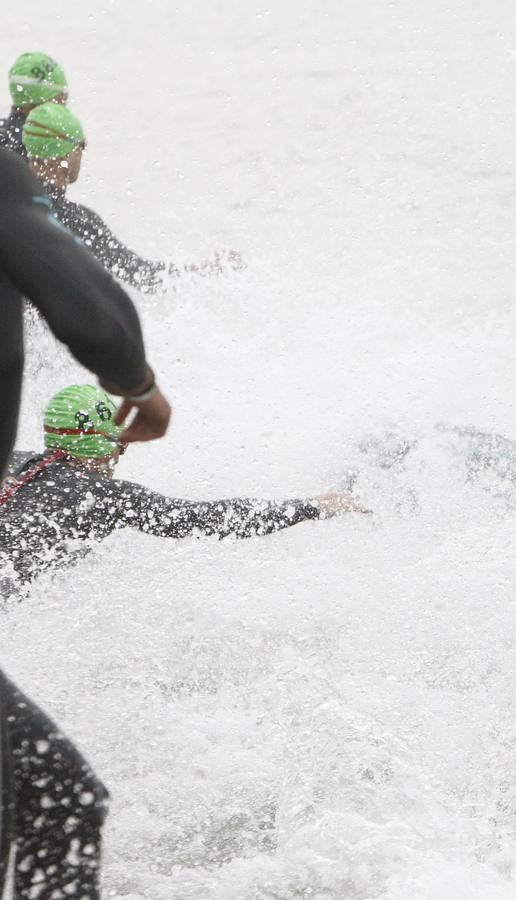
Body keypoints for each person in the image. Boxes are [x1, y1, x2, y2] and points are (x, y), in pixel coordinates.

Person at [1, 146, 171, 897]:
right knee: (62, 802)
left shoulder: (30, 469)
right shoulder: (96, 495)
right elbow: (85, 304)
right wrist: (139, 384)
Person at [0, 385, 362, 592]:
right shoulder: (101, 496)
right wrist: (310, 506)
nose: (119, 457)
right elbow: (204, 520)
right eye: (120, 444)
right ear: (102, 444)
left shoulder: (11, 461)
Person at [22, 102, 242, 292]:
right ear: (69, 153)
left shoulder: (11, 204)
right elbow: (142, 276)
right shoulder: (75, 221)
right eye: (82, 146)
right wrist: (204, 269)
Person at [1, 52, 67, 159]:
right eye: (61, 96)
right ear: (45, 100)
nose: (64, 105)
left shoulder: (5, 133)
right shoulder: (38, 147)